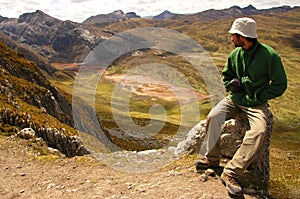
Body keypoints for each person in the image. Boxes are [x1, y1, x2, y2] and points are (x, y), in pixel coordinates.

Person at [194, 17, 287, 197]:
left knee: (259, 131)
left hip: (255, 103)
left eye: (233, 35)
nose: (231, 39)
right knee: (213, 116)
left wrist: (260, 96)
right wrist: (231, 84)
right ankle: (212, 159)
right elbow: (226, 75)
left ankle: (232, 172)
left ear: (242, 36)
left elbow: (280, 84)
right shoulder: (234, 55)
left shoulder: (270, 56)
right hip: (235, 99)